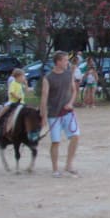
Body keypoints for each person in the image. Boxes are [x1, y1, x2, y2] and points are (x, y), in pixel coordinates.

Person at [40, 50, 81, 178]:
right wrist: (44, 116)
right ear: (58, 62)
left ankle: (69, 164)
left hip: (68, 112)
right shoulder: (48, 78)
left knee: (75, 136)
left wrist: (71, 103)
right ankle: (55, 169)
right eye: (65, 60)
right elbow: (44, 97)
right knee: (55, 141)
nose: (67, 63)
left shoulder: (69, 75)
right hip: (54, 114)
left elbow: (74, 91)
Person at [0, 67, 27, 136]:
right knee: (7, 107)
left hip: (21, 102)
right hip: (13, 101)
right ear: (18, 77)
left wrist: (25, 84)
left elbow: (25, 91)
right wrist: (17, 97)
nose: (24, 78)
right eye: (23, 76)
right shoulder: (13, 83)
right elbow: (11, 92)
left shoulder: (20, 84)